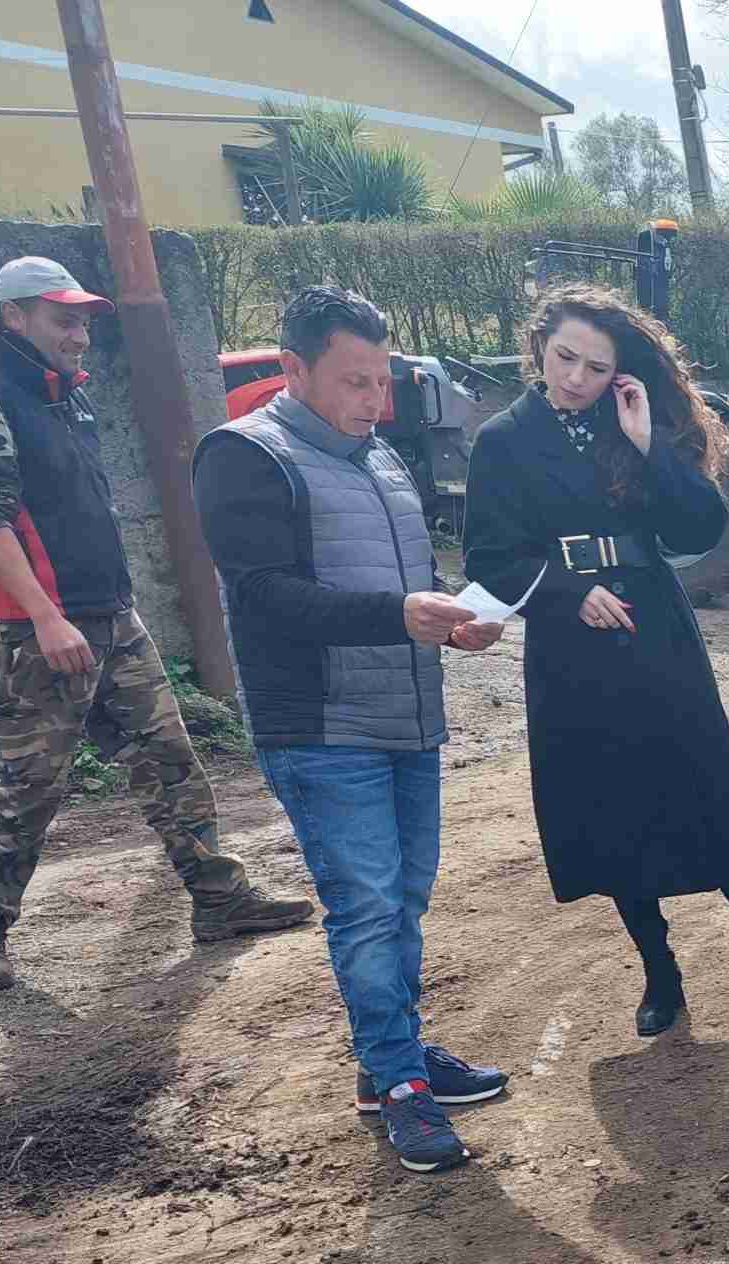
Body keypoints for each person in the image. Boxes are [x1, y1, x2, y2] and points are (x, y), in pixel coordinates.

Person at [193, 286, 511, 1175]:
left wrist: (450, 621)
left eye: (382, 381)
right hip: (321, 727)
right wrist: (399, 615)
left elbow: (398, 581)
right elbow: (262, 596)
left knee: (403, 900)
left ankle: (391, 1060)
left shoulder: (381, 458)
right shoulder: (243, 455)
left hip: (408, 717)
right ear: (293, 369)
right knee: (366, 909)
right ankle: (402, 1084)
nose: (375, 401)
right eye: (354, 381)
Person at [463, 285, 729, 1039]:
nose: (576, 378)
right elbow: (489, 558)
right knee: (611, 809)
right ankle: (661, 973)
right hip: (572, 648)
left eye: (596, 368)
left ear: (619, 372)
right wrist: (568, 593)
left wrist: (646, 444)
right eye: (565, 358)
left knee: (714, 795)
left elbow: (699, 527)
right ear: (539, 347)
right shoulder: (501, 440)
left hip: (658, 630)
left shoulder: (635, 422)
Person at [0, 255, 313, 990]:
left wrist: (110, 603)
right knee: (31, 781)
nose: (79, 334)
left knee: (167, 756)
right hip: (38, 627)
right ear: (13, 317)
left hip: (110, 611)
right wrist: (45, 617)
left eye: (83, 321)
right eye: (62, 320)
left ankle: (218, 896)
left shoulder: (65, 391)